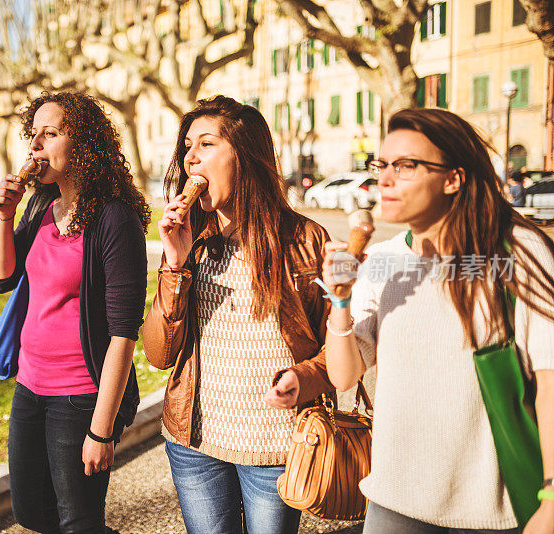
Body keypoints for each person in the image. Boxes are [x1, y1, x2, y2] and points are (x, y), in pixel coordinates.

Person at [319, 108, 554, 533]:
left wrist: (553, 499)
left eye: (407, 166)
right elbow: (343, 375)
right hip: (393, 502)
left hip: (493, 511)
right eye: (383, 164)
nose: (385, 179)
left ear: (453, 178)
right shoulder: (385, 261)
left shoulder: (515, 251)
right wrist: (340, 301)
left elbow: (550, 380)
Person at [141, 95, 335, 534]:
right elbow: (157, 353)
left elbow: (340, 349)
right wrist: (174, 264)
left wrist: (305, 377)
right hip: (195, 445)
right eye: (187, 145)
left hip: (277, 446)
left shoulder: (305, 240)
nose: (190, 157)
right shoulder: (191, 237)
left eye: (205, 144)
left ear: (244, 155)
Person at [0, 91, 150, 533]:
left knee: (78, 522)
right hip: (30, 386)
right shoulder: (41, 204)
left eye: (51, 133)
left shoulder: (115, 220)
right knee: (31, 514)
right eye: (33, 134)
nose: (35, 145)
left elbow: (123, 333)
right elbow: (1, 279)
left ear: (84, 145)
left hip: (80, 396)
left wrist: (101, 430)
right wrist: (5, 215)